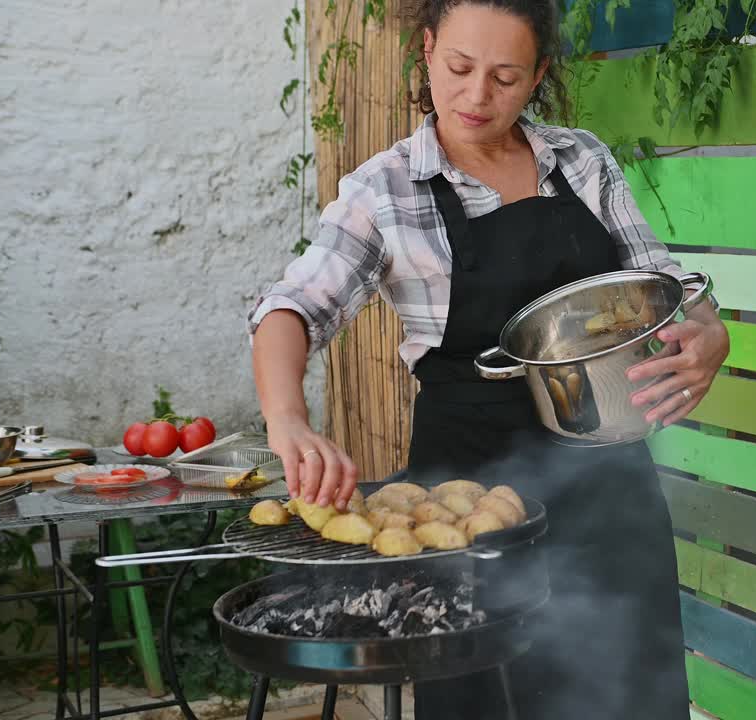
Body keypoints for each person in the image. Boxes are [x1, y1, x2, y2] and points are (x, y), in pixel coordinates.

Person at [247, 0, 729, 715]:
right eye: (460, 68)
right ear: (428, 49)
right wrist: (287, 419)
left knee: (633, 693)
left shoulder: (582, 161)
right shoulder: (385, 190)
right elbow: (292, 308)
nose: (477, 96)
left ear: (538, 75)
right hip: (464, 503)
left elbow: (661, 283)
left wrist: (709, 331)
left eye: (505, 77)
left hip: (608, 486)